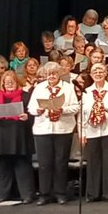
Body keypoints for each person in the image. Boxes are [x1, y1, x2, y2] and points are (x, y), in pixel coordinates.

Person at [27, 61, 79, 205]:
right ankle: (44, 194)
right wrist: (37, 110)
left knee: (61, 163)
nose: (51, 76)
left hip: (63, 129)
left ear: (59, 74)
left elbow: (75, 107)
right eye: (49, 74)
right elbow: (31, 108)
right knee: (44, 163)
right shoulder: (39, 88)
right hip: (43, 129)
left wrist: (62, 110)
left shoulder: (68, 88)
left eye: (54, 74)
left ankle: (60, 193)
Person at [80, 62, 108, 202]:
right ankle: (93, 193)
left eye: (101, 72)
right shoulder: (86, 92)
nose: (98, 74)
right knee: (93, 162)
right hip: (91, 131)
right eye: (95, 72)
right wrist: (82, 133)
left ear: (106, 74)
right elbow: (81, 114)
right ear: (91, 75)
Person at [0, 71, 34, 205]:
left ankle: (27, 195)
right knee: (3, 168)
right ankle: (3, 195)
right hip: (1, 137)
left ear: (17, 83)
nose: (8, 84)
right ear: (2, 84)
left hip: (20, 137)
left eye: (11, 82)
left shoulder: (25, 96)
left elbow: (33, 114)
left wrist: (27, 117)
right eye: (6, 82)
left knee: (23, 167)